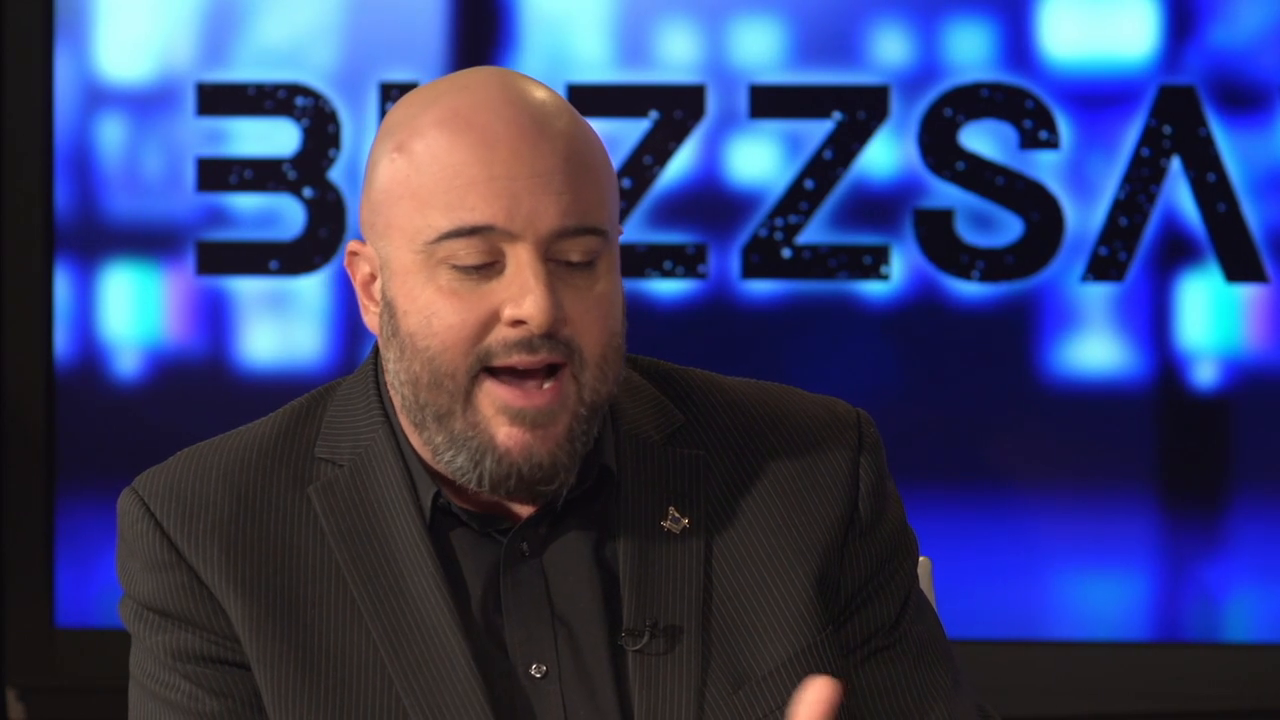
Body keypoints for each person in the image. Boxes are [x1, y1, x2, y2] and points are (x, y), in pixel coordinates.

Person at [117, 66, 991, 719]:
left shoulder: (811, 477)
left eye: (578, 259)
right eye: (475, 264)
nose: (537, 305)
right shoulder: (209, 531)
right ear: (373, 289)